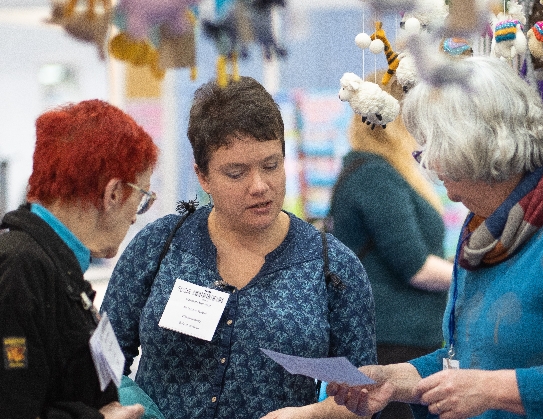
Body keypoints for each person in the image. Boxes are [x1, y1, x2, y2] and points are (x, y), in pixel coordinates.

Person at [326, 55, 543, 419]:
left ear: (472, 145)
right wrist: (395, 379)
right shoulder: (484, 231)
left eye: (431, 148)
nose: (431, 166)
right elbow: (467, 361)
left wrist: (492, 390)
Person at [100, 76, 377, 419]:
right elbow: (101, 361)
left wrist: (311, 415)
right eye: (236, 173)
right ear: (202, 177)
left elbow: (362, 398)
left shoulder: (333, 266)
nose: (259, 186)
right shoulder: (159, 246)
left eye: (271, 165)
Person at [0, 99, 159, 419]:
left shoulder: (55, 268)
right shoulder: (20, 269)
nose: (133, 220)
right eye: (141, 200)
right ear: (113, 194)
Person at [328, 71, 453, 419]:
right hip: (393, 343)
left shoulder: (381, 171)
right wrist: (477, 273)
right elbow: (415, 266)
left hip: (405, 340)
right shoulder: (374, 174)